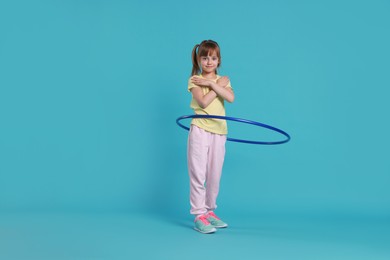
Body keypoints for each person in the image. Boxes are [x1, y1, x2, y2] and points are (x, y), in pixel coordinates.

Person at [187, 40, 235, 234]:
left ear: (219, 60)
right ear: (199, 60)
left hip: (220, 132)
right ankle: (199, 215)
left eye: (213, 58)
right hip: (200, 130)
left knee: (214, 175)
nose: (209, 62)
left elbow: (231, 98)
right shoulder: (195, 80)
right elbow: (204, 103)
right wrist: (212, 84)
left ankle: (209, 211)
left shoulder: (225, 79)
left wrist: (214, 83)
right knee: (199, 173)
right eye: (205, 58)